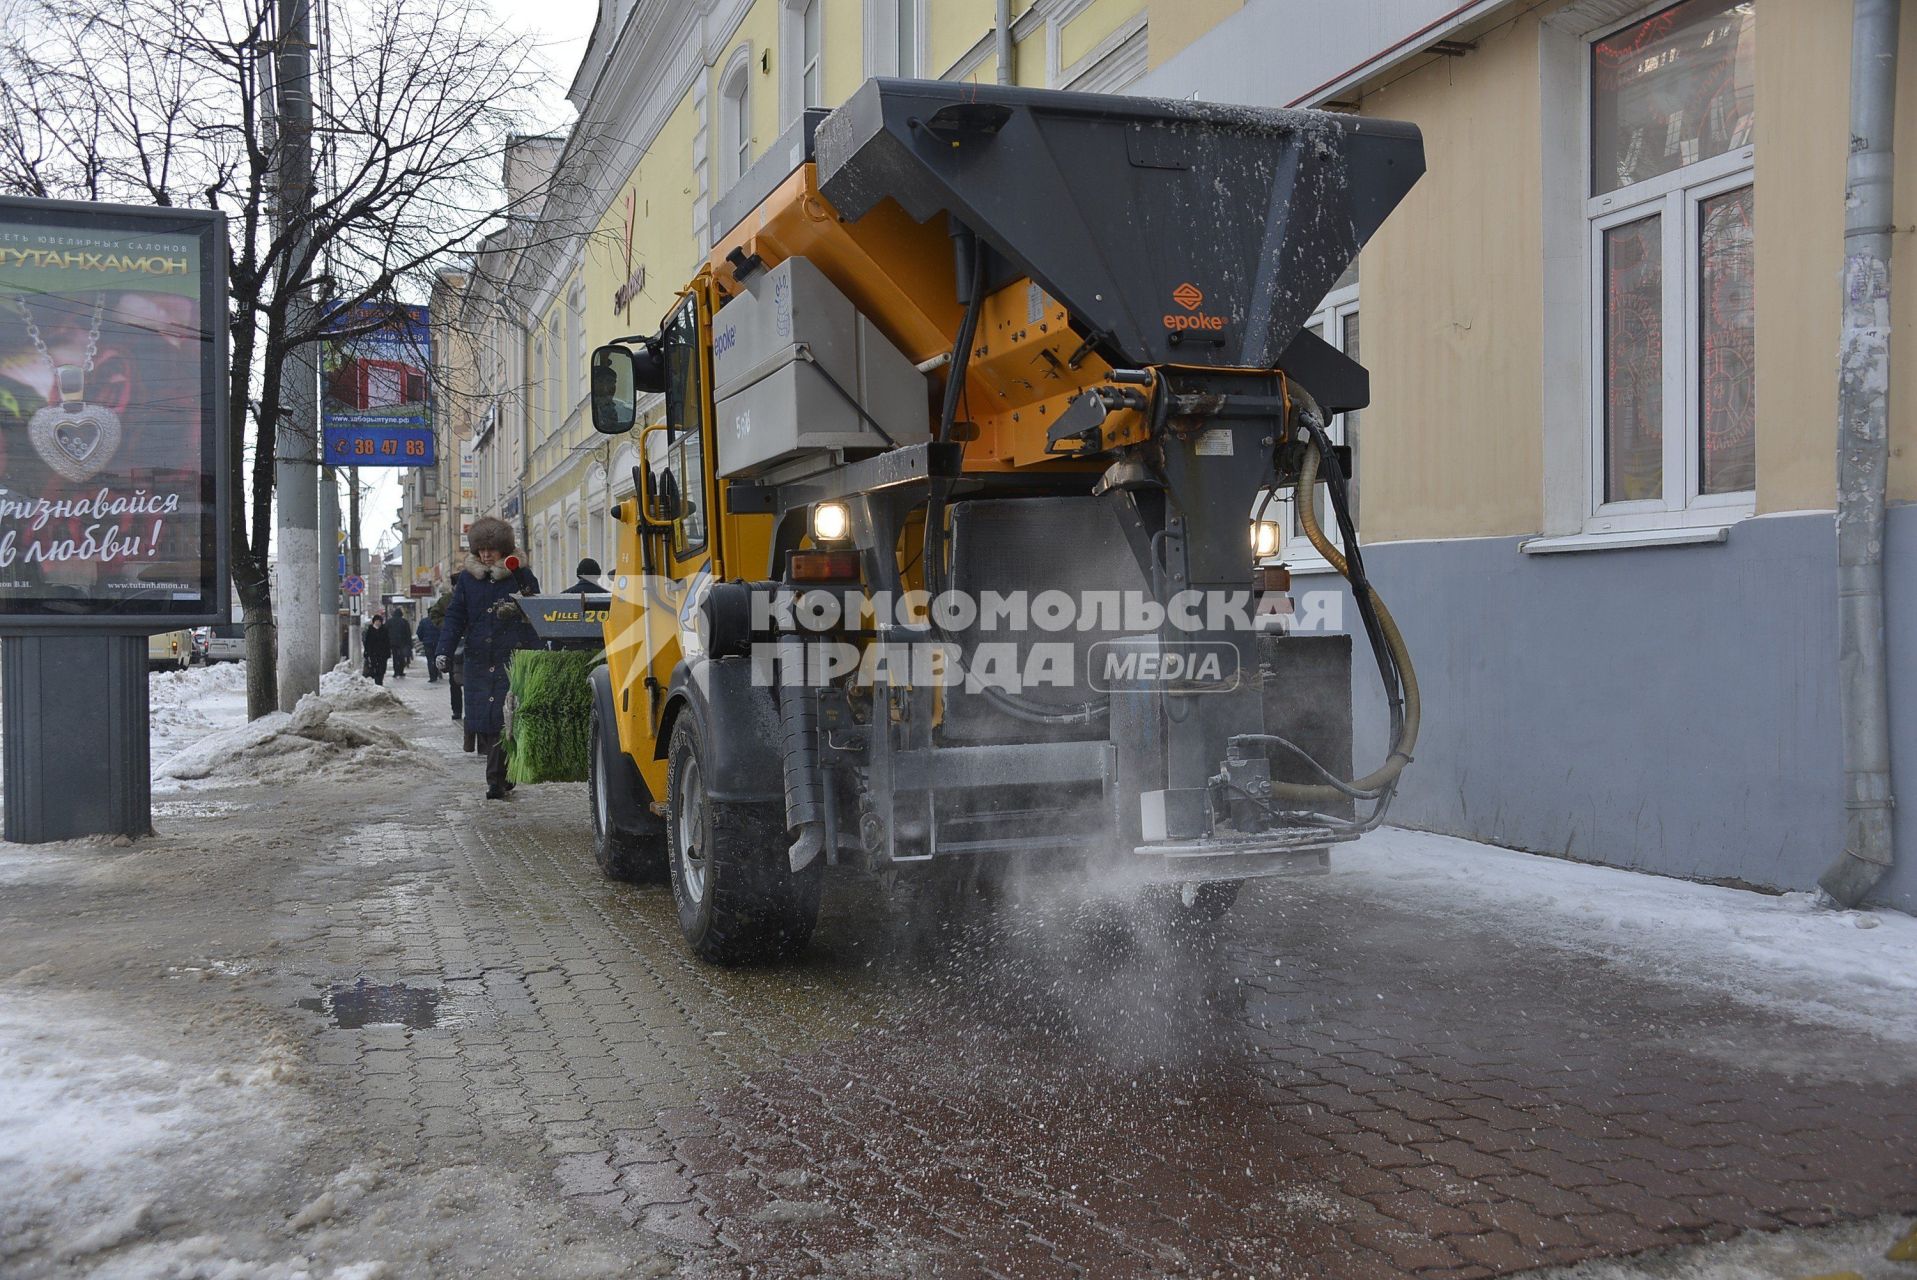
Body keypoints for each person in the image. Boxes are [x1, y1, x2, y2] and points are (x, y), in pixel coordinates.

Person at [436, 517, 541, 800]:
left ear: (503, 549)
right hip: (480, 658)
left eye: (490, 550)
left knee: (506, 717)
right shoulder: (469, 580)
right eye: (480, 550)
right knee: (488, 721)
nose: (485, 555)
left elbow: (535, 614)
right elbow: (456, 617)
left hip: (511, 656)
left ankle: (498, 779)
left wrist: (538, 652)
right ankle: (499, 776)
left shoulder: (521, 575)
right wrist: (443, 651)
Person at [362, 611, 391, 686]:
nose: (378, 623)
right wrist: (366, 652)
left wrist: (388, 653)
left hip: (383, 654)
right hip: (373, 654)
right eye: (376, 621)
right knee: (374, 668)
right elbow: (367, 642)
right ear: (374, 622)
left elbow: (387, 642)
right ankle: (377, 681)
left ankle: (380, 680)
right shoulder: (370, 630)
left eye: (379, 621)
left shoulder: (384, 630)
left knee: (382, 669)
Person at [416, 607, 441, 683]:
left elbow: (419, 632)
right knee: (436, 658)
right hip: (437, 642)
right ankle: (437, 673)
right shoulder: (438, 621)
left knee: (430, 660)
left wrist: (422, 639)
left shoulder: (424, 621)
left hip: (427, 643)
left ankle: (432, 676)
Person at [387, 607, 413, 678]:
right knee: (402, 657)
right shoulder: (404, 622)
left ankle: (396, 672)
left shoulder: (389, 622)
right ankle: (401, 671)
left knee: (395, 657)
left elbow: (385, 632)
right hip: (403, 643)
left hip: (393, 643)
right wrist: (410, 644)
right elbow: (408, 633)